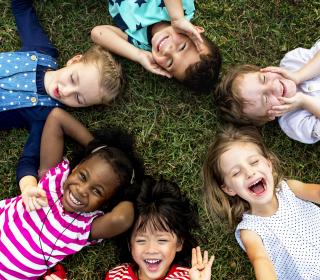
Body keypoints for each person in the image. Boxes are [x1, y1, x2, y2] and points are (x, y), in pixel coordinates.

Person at [0, 108, 145, 279]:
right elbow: (57, 118)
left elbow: (122, 218)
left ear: (106, 202)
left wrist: (129, 190)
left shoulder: (85, 227)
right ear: (75, 168)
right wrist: (97, 148)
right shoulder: (53, 178)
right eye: (83, 176)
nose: (81, 190)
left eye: (97, 191)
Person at [2, 0, 124, 196]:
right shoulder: (41, 51)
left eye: (78, 98)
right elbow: (22, 10)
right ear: (74, 60)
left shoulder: (44, 115)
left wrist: (28, 187)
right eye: (73, 78)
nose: (66, 91)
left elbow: (29, 160)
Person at [202, 125, 320, 279]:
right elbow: (260, 260)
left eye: (254, 162)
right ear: (229, 189)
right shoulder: (249, 231)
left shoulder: (290, 189)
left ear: (269, 164)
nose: (250, 172)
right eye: (236, 173)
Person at [91, 0, 221, 92]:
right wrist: (177, 18)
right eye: (182, 47)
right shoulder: (182, 9)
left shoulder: (139, 43)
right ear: (194, 31)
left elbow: (98, 33)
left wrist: (138, 55)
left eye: (170, 63)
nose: (167, 50)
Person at [105, 176, 214, 280]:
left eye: (162, 240)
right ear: (129, 244)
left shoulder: (189, 277)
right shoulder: (117, 276)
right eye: (141, 240)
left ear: (179, 243)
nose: (151, 249)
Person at [215, 40, 320, 144]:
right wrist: (305, 102)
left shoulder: (293, 61)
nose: (274, 87)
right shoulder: (294, 123)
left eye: (264, 78)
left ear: (264, 70)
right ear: (269, 116)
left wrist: (300, 75)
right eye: (265, 99)